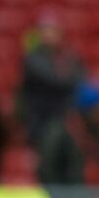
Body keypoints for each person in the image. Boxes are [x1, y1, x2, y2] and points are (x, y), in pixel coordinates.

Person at [17, 12, 87, 147]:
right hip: (41, 121)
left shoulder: (68, 55)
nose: (50, 35)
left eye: (54, 31)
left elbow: (82, 77)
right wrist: (69, 78)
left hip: (65, 118)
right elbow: (52, 79)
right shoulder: (32, 58)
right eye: (46, 31)